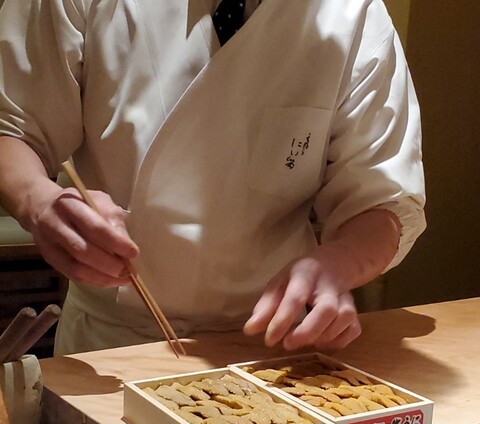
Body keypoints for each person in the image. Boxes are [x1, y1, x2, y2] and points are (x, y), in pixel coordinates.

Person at [0, 0, 426, 356]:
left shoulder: (353, 12)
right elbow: (12, 126)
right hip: (111, 343)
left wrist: (340, 262)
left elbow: (382, 198)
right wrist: (39, 200)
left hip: (275, 346)